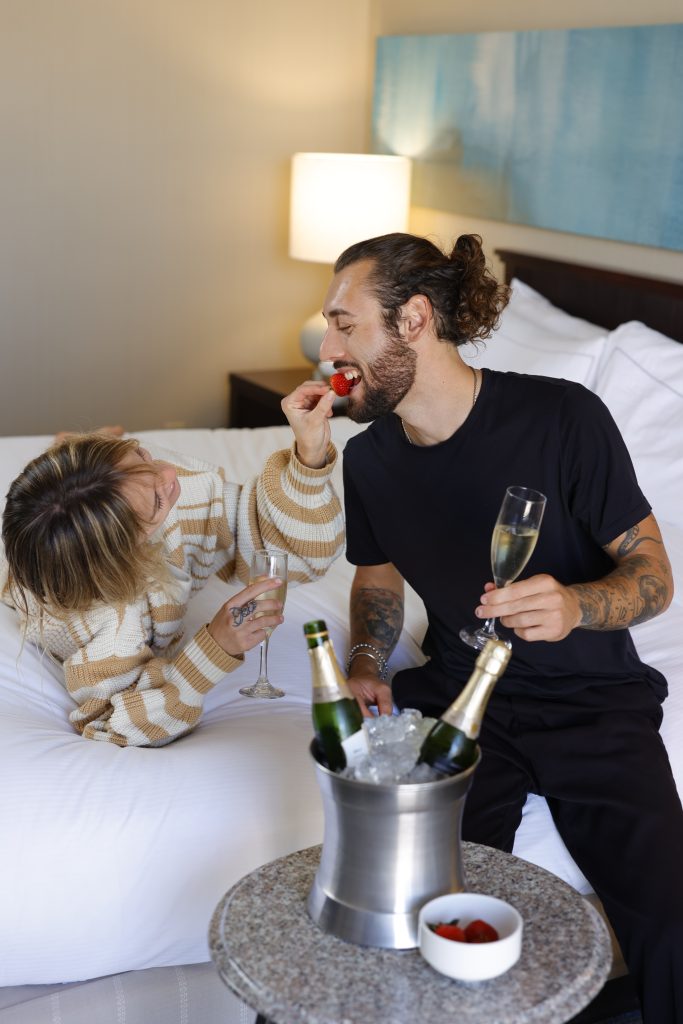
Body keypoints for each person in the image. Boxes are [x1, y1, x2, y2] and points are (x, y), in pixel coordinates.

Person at [318, 231, 682, 1023]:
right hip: (461, 699)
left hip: (592, 700)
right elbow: (376, 573)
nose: (326, 348)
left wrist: (577, 606)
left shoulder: (561, 419)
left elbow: (654, 578)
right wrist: (369, 658)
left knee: (670, 921)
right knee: (427, 915)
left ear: (413, 318)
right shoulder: (370, 458)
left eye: (345, 324)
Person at [0, 382, 342, 747]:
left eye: (140, 457)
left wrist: (309, 457)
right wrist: (217, 646)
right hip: (73, 578)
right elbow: (114, 723)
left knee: (103, 478)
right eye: (157, 500)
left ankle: (89, 443)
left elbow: (298, 553)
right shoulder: (102, 622)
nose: (170, 475)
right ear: (133, 548)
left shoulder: (168, 481)